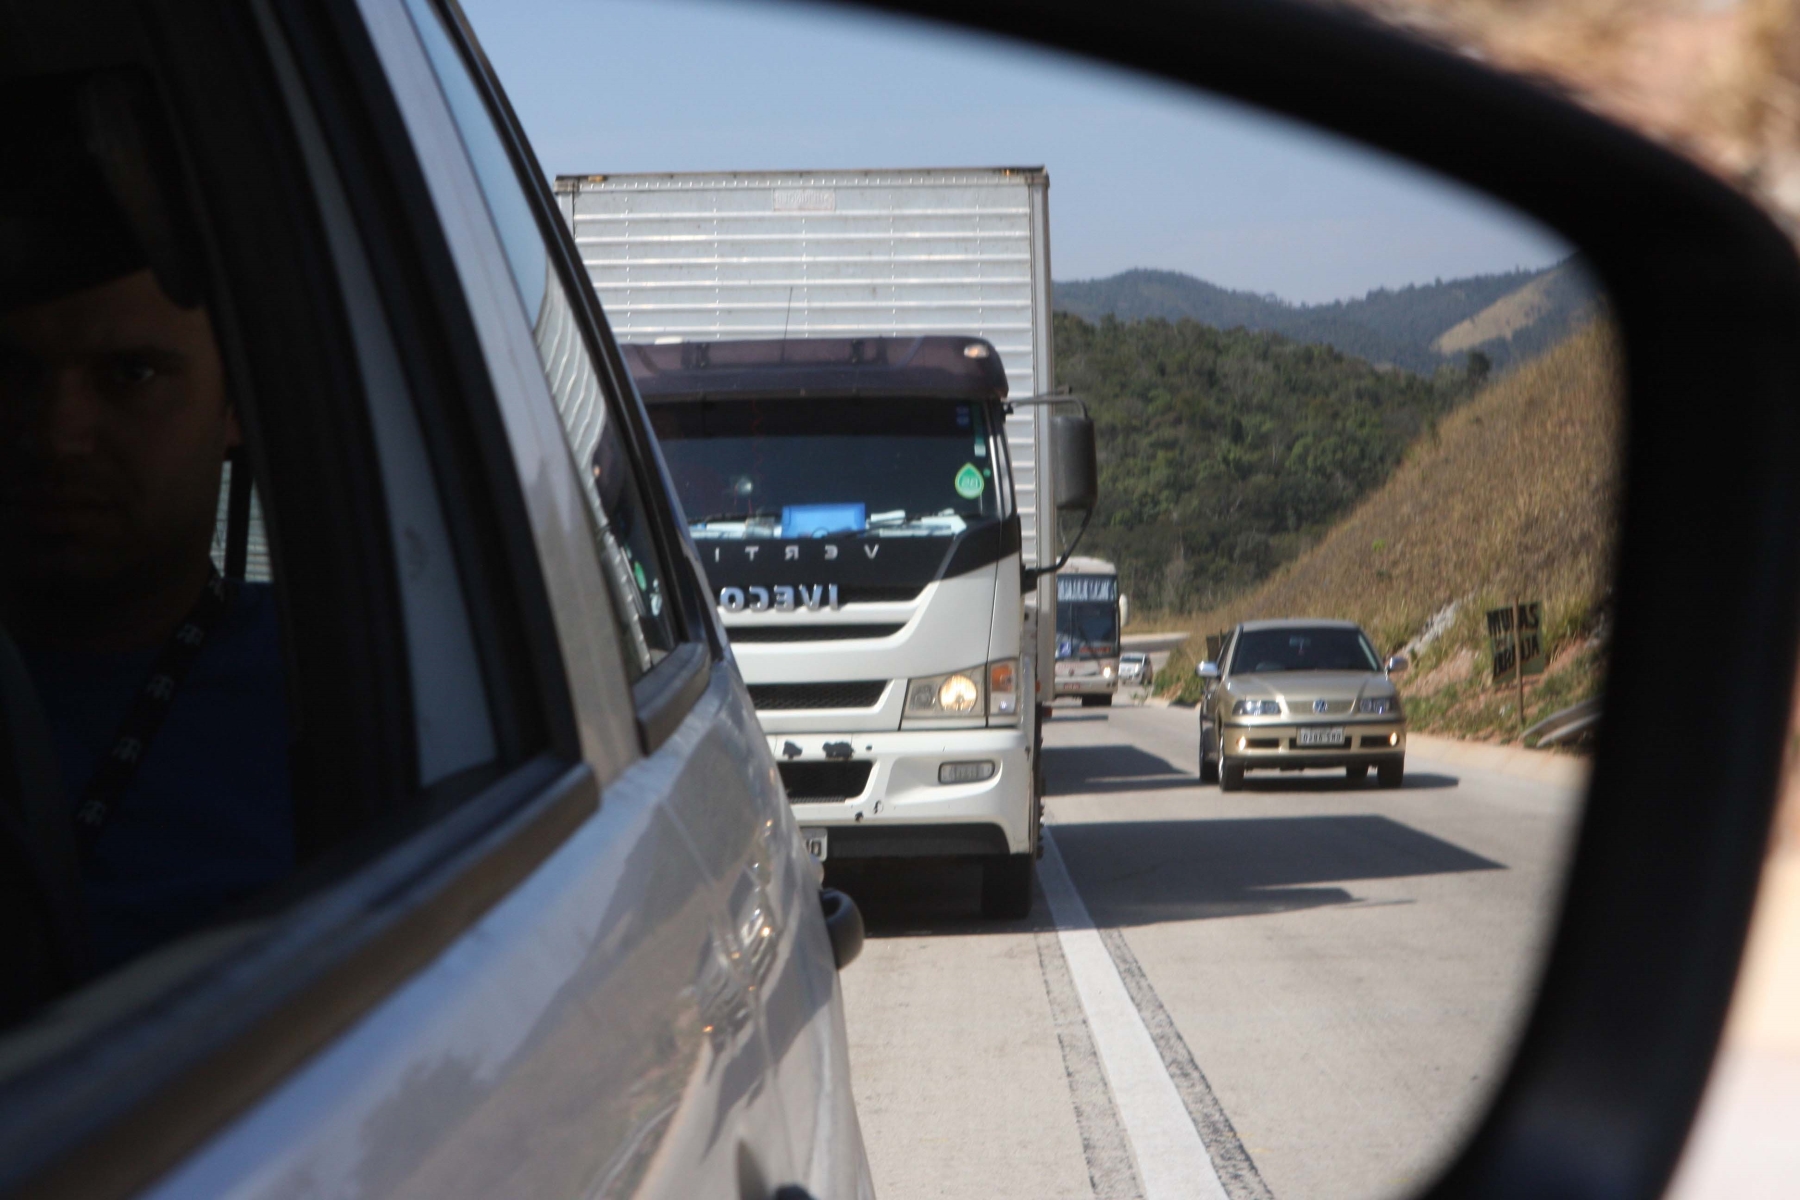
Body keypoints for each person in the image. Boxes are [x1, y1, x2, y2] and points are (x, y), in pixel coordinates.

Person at [0, 76, 293, 977]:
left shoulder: (322, 691)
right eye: (11, 374)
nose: (55, 435)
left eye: (129, 375)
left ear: (233, 407)